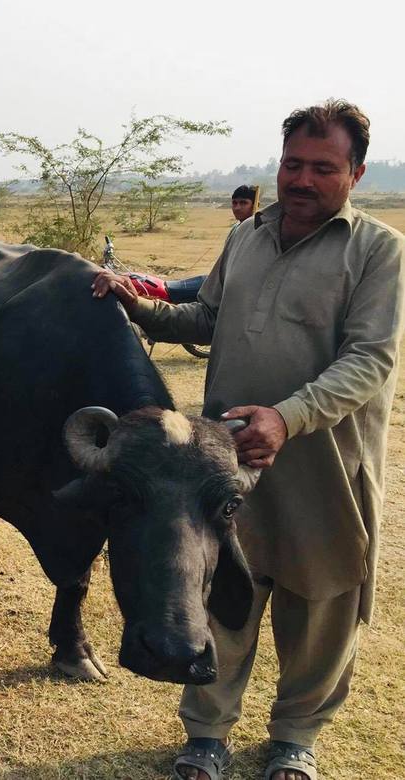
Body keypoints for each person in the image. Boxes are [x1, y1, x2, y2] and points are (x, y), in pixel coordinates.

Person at [93, 100, 404, 780]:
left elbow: (370, 360)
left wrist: (287, 417)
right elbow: (207, 314)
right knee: (218, 598)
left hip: (325, 468)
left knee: (320, 607)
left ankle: (296, 736)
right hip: (224, 466)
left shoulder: (378, 251)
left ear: (353, 173)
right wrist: (137, 305)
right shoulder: (248, 236)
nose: (302, 179)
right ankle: (206, 732)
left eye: (323, 167)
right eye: (293, 163)